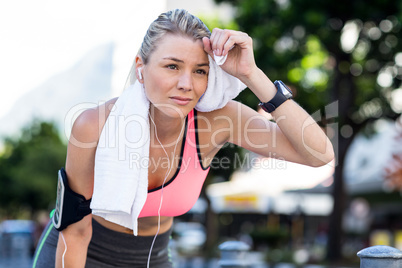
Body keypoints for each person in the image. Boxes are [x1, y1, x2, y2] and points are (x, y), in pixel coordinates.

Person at [33, 8, 334, 268]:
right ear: (141, 68)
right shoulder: (95, 125)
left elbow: (319, 154)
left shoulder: (219, 120)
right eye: (172, 66)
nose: (186, 84)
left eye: (200, 71)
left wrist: (251, 74)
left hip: (153, 255)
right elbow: (75, 234)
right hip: (77, 254)